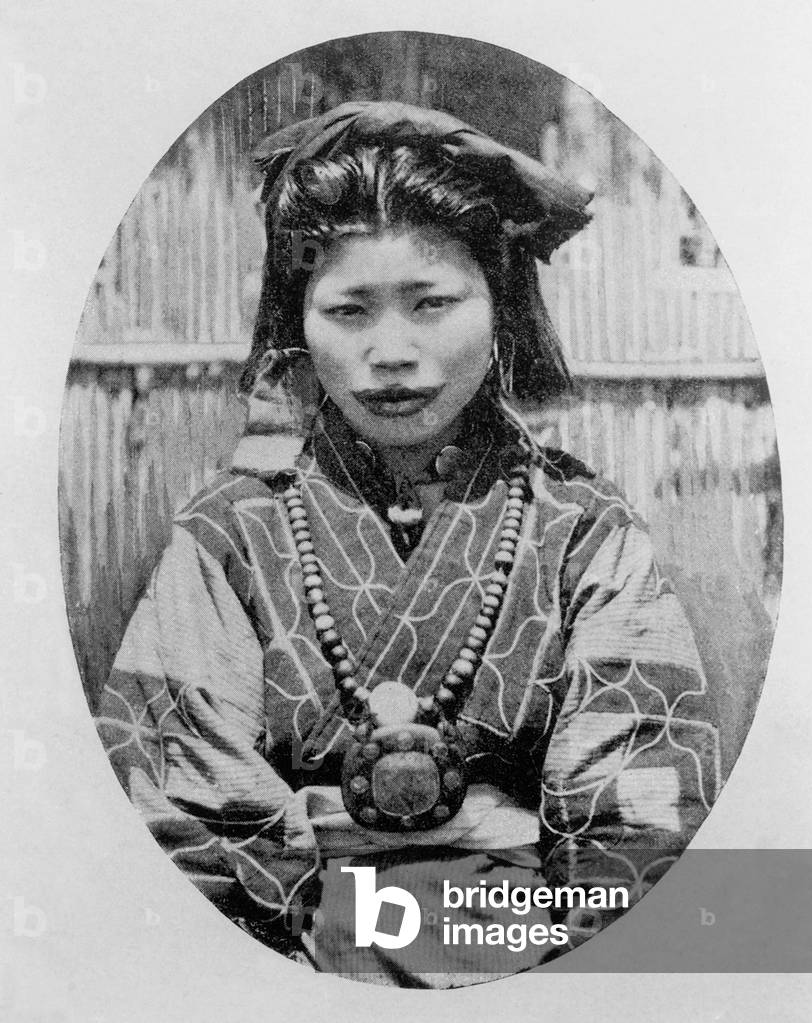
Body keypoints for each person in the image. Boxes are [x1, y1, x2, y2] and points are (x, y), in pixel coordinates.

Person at [96, 102, 719, 986]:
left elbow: (640, 817)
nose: (391, 350)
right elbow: (181, 818)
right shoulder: (231, 530)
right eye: (348, 309)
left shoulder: (580, 526)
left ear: (500, 308)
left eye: (432, 302)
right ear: (298, 326)